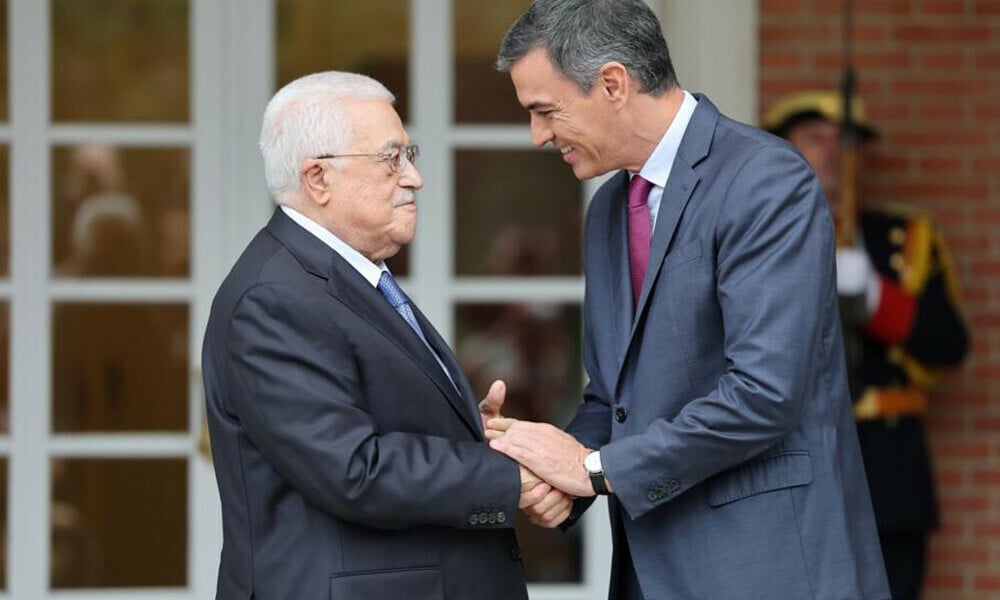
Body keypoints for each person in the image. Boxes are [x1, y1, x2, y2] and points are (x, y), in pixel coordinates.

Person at [485, 2, 891, 599]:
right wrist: (555, 470)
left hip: (769, 568)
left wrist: (593, 472)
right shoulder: (605, 211)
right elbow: (612, 399)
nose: (538, 135)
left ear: (614, 83)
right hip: (651, 571)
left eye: (546, 111)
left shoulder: (765, 180)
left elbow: (764, 393)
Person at [201, 71, 570, 599]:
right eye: (391, 158)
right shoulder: (273, 297)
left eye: (409, 154)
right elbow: (353, 469)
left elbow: (369, 419)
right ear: (318, 179)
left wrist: (469, 432)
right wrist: (511, 478)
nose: (414, 177)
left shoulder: (343, 275)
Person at [764, 90, 970, 600]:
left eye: (846, 141)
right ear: (784, 147)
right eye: (816, 138)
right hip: (792, 455)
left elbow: (949, 342)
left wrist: (878, 298)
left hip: (887, 461)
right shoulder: (759, 230)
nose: (833, 152)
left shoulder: (903, 239)